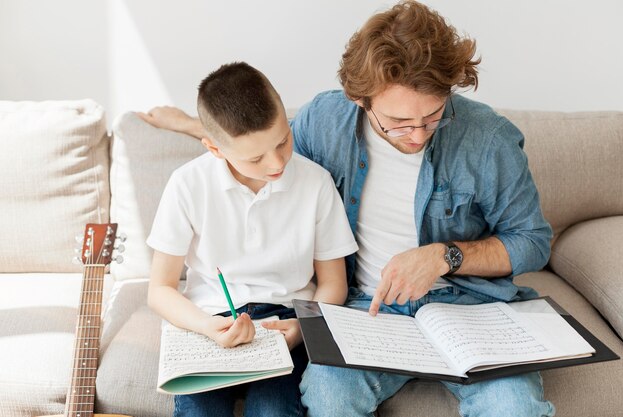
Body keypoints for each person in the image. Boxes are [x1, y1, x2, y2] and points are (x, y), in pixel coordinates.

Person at [140, 2, 555, 416]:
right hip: (368, 309)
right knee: (327, 395)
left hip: (470, 307)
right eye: (397, 121)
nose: (417, 135)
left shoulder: (488, 139)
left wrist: (445, 256)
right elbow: (264, 156)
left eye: (432, 116)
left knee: (514, 406)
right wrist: (193, 126)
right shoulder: (325, 120)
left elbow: (533, 242)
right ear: (359, 98)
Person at [145, 61, 358, 417]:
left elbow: (334, 282)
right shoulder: (187, 184)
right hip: (208, 319)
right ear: (215, 149)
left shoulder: (316, 183)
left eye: (284, 140)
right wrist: (206, 326)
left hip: (285, 321)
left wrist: (305, 328)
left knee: (274, 411)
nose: (277, 162)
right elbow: (159, 289)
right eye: (256, 157)